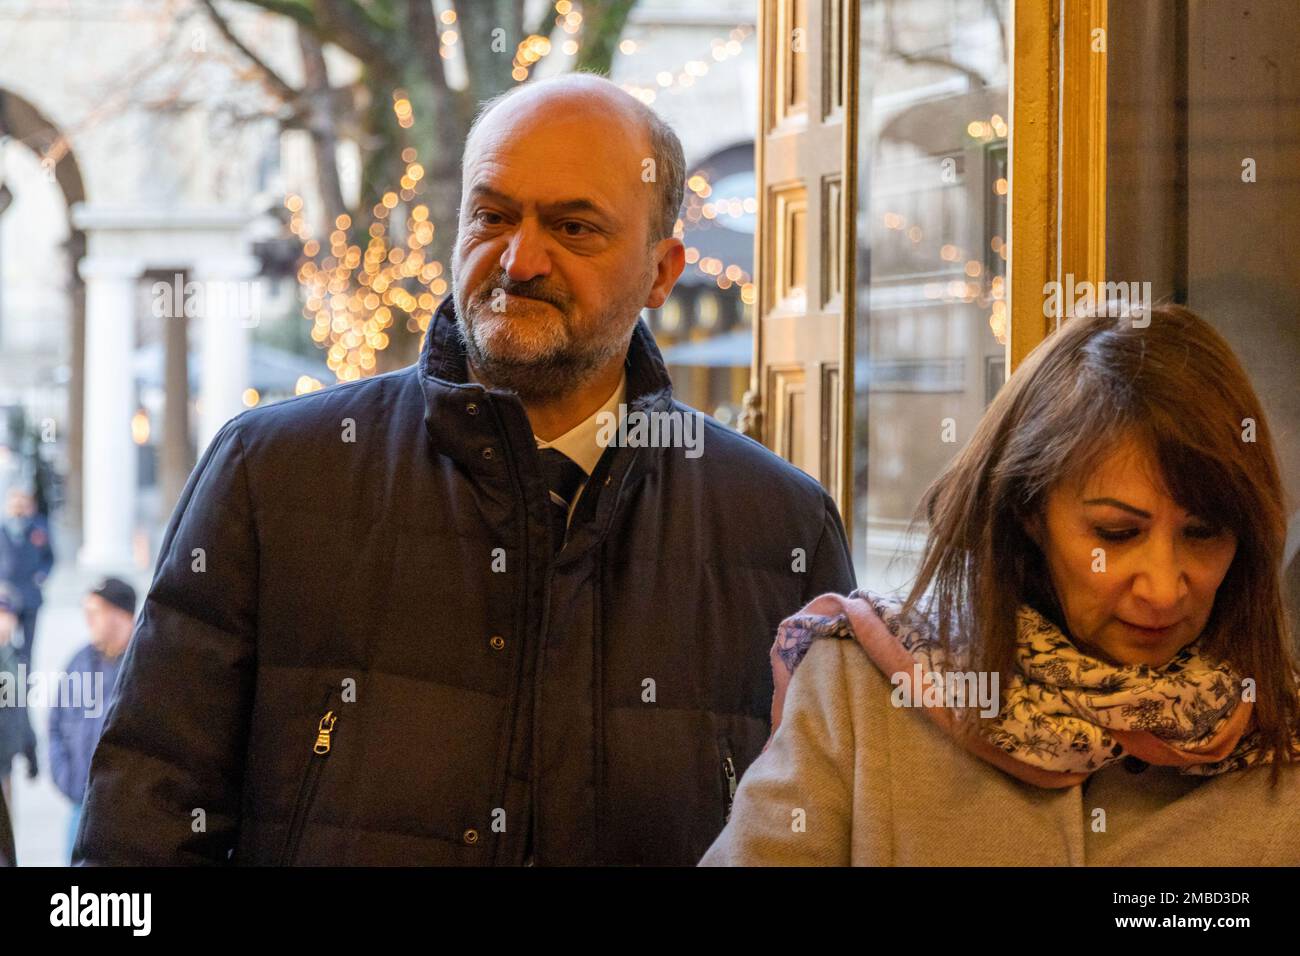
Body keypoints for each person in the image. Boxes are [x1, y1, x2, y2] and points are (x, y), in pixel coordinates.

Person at [75, 74, 855, 866]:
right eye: (492, 216)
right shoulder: (273, 476)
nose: (519, 261)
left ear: (662, 271)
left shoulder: (779, 527)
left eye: (574, 227)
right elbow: (141, 827)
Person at [701, 303, 1300, 866]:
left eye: (1203, 534)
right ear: (1029, 512)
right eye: (1116, 533)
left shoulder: (1277, 736)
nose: (1165, 588)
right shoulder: (861, 694)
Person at [49, 577, 135, 863]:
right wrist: (68, 779)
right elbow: (56, 724)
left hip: (128, 814)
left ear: (120, 614)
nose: (88, 620)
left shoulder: (147, 667)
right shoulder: (79, 662)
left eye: (95, 612)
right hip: (80, 806)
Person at [0, 486, 53, 775]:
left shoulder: (39, 529)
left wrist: (42, 575)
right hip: (7, 595)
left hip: (29, 597)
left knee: (24, 657)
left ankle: (24, 675)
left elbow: (49, 557)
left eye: (23, 501)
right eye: (14, 501)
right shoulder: (3, 530)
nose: (18, 506)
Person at [0, 585, 32, 812]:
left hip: (6, 765)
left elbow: (20, 708)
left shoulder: (16, 655)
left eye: (7, 614)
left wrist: (31, 748)